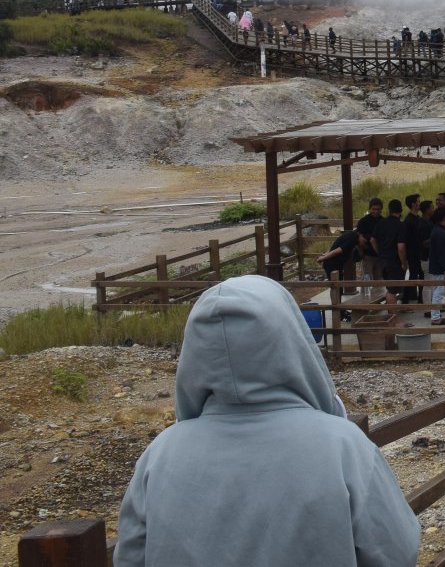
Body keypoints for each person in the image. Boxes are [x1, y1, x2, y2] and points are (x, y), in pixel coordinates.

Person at [113, 275, 419, 567]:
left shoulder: (160, 454)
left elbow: (130, 556)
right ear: (292, 342)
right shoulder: (344, 447)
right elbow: (395, 552)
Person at [313, 226, 362, 307]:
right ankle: (336, 309)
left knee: (338, 288)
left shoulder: (349, 234)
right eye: (363, 239)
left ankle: (339, 308)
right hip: (332, 264)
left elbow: (334, 245)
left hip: (336, 264)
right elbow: (338, 250)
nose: (363, 241)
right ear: (360, 234)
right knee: (336, 288)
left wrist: (326, 253)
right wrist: (323, 258)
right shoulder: (352, 239)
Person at [371, 199, 408, 306]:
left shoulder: (381, 223)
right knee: (392, 291)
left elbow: (372, 240)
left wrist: (379, 252)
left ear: (389, 210)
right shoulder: (400, 225)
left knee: (389, 288)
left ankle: (392, 315)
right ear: (400, 211)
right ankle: (393, 319)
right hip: (394, 262)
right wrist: (403, 263)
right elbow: (401, 247)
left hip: (383, 261)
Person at [424, 205, 445, 325]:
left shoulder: (439, 231)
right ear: (444, 218)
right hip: (442, 268)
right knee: (439, 291)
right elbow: (441, 254)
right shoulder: (439, 233)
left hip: (444, 267)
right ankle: (435, 317)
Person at [354, 198, 383, 304]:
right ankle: (364, 302)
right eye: (373, 209)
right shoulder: (364, 221)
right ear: (370, 209)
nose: (375, 211)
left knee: (379, 280)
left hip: (379, 255)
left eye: (378, 209)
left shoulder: (382, 221)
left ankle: (378, 301)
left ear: (381, 209)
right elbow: (358, 235)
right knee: (366, 279)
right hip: (367, 256)